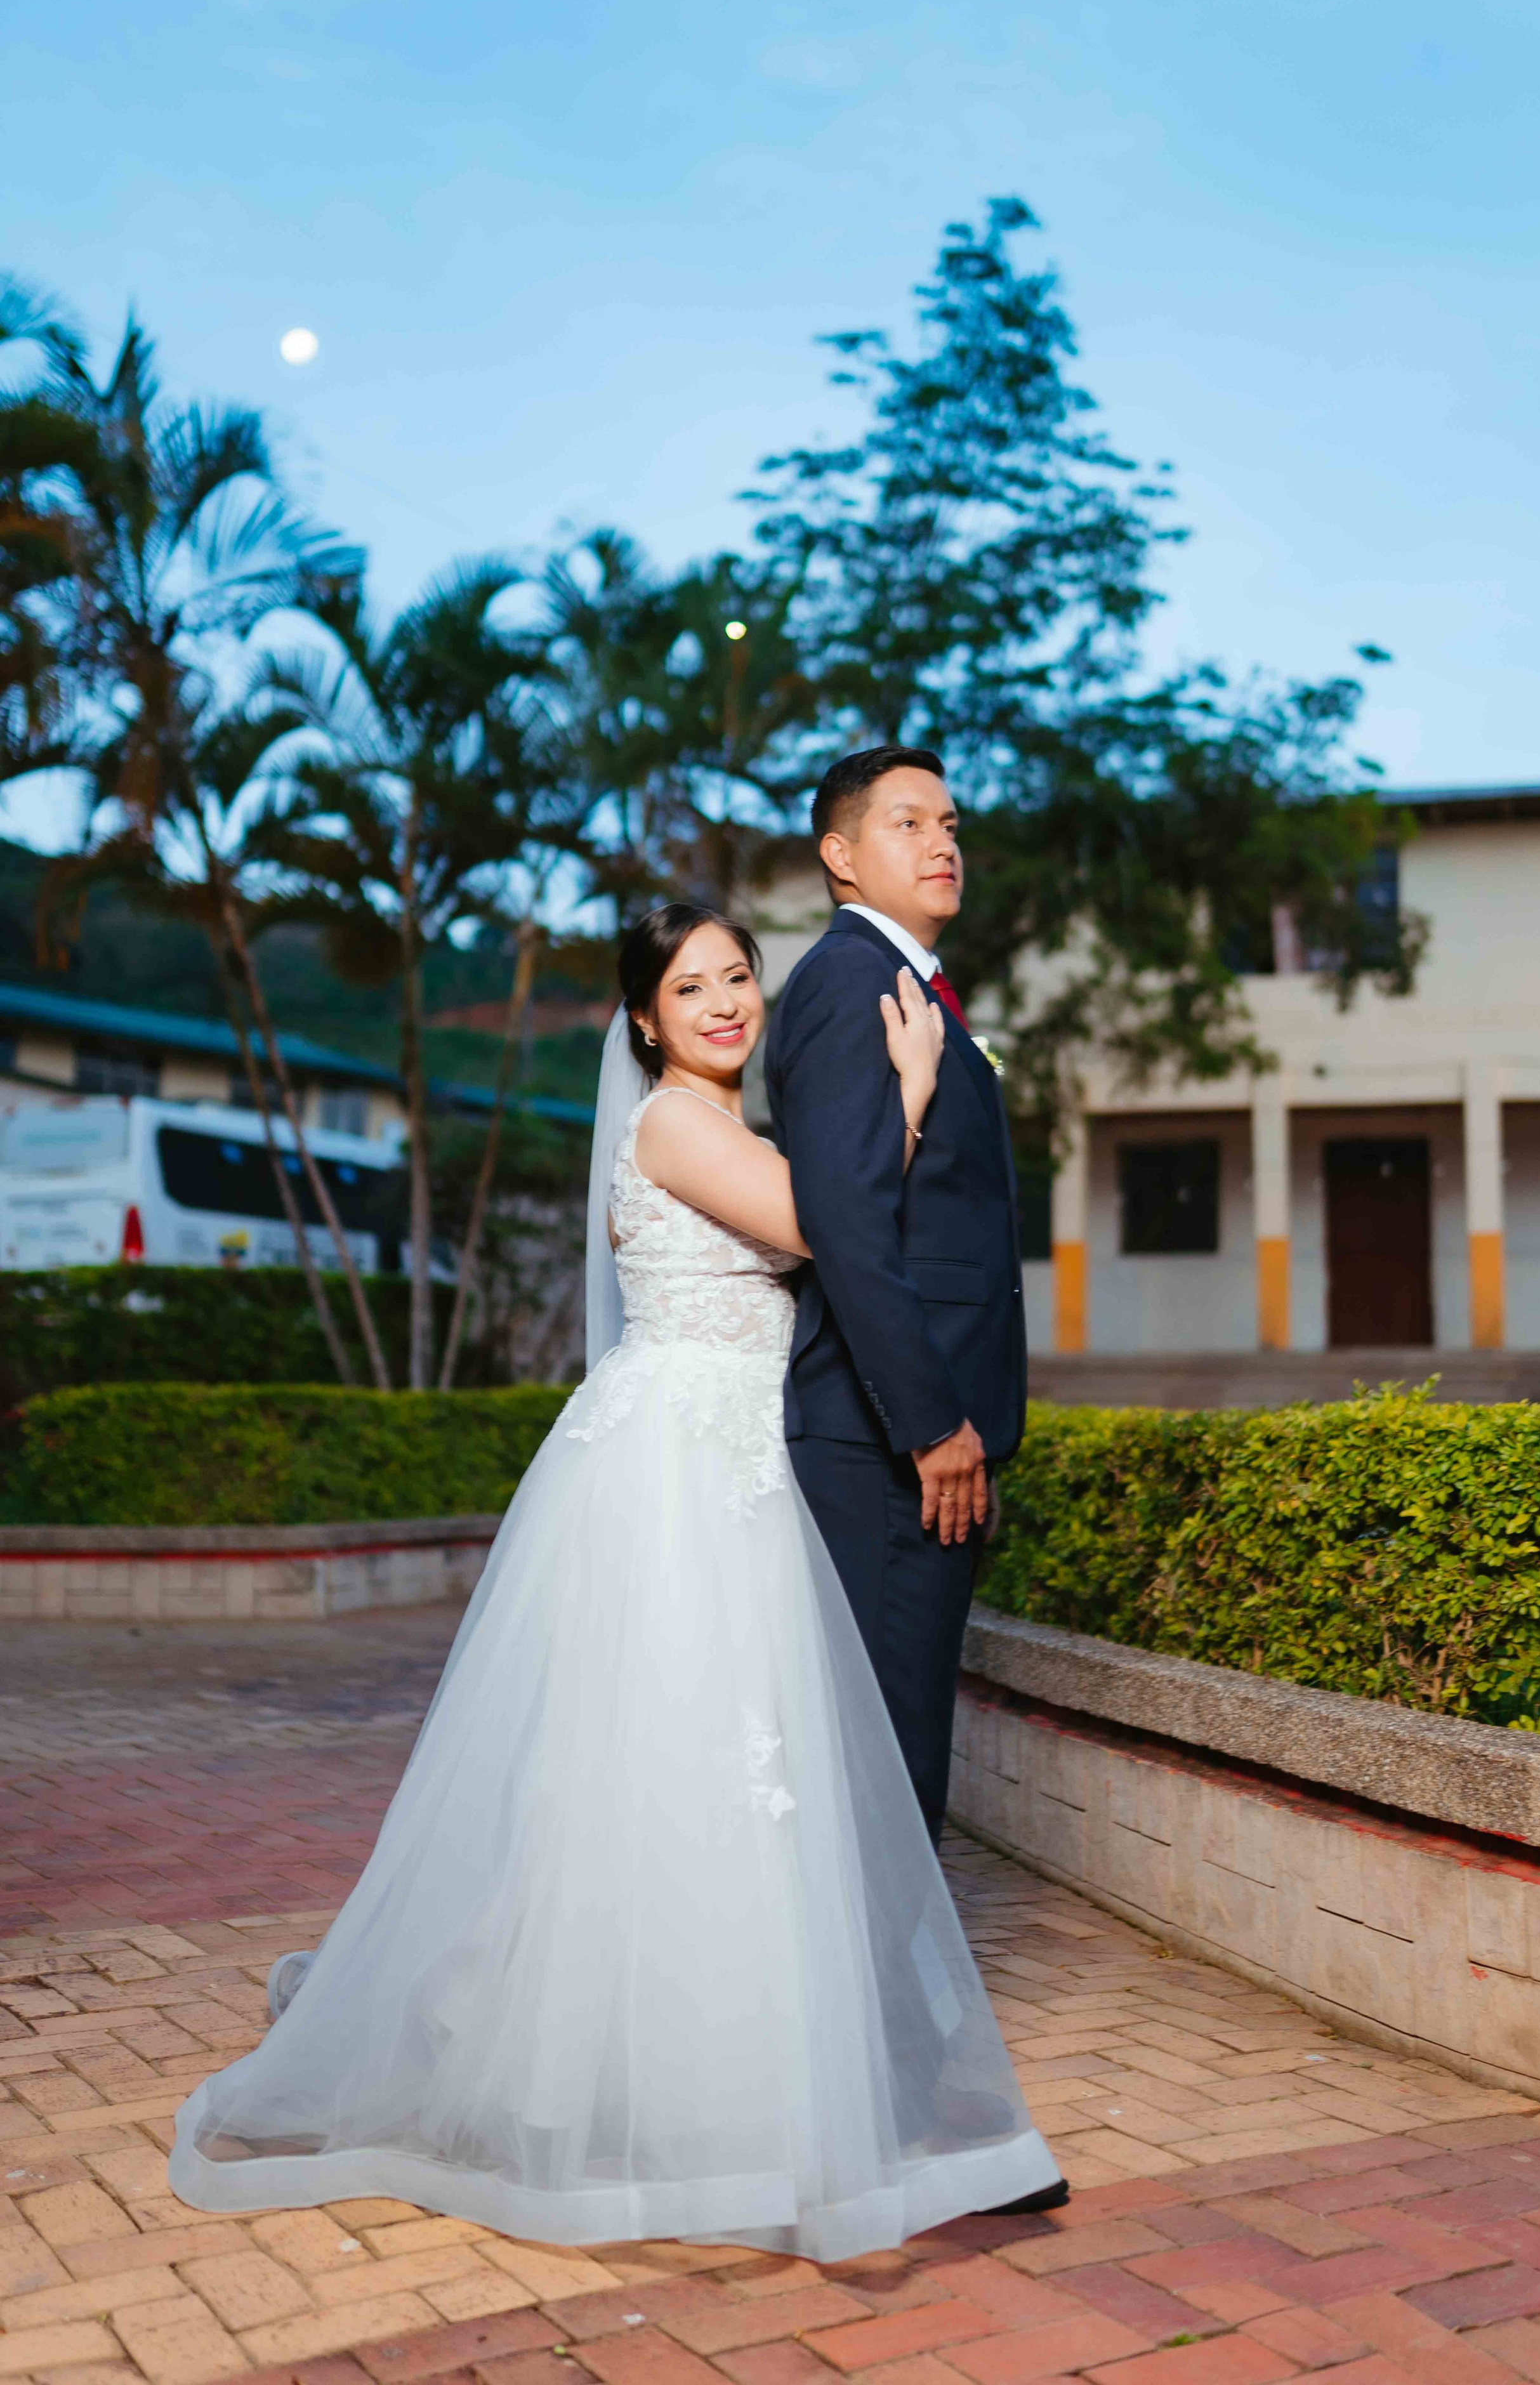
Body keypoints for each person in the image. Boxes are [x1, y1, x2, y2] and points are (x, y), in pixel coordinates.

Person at [168, 902, 1060, 2257]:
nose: (722, 1002)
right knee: (674, 1762)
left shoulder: (727, 1119)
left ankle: (748, 2053)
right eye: (689, 986)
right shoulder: (674, 1125)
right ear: (642, 1018)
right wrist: (915, 1091)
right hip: (683, 1470)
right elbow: (824, 1225)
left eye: (736, 976)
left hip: (744, 1455)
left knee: (735, 1774)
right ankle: (624, 2062)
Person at [767, 746, 1026, 1851]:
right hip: (887, 1445)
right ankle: (873, 2018)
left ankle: (876, 2009)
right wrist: (932, 1425)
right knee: (883, 1754)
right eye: (909, 824)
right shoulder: (845, 983)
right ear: (841, 855)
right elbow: (851, 1226)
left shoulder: (910, 988)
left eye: (952, 824)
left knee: (900, 1736)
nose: (943, 844)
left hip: (916, 1440)